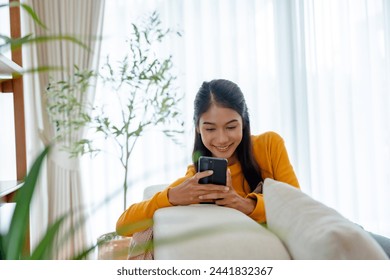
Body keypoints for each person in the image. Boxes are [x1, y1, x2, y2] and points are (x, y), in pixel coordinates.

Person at [116, 79, 300, 236]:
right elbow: (123, 225)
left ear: (243, 123)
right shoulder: (198, 178)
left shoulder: (269, 145)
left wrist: (244, 204)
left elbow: (298, 208)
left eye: (231, 127)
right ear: (197, 127)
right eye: (210, 129)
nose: (221, 139)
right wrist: (171, 196)